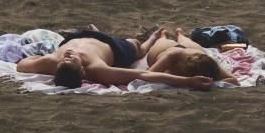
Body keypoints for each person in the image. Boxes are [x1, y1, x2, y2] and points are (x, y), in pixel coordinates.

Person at [15, 24, 216, 90]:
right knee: (136, 47)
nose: (67, 55)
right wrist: (188, 81)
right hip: (113, 47)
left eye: (63, 60)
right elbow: (145, 76)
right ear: (83, 71)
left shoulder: (51, 62)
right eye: (71, 60)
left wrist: (45, 57)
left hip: (77, 36)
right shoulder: (97, 68)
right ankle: (151, 40)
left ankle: (97, 30)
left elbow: (22, 65)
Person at [135, 25, 240, 85]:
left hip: (193, 51)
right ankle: (163, 35)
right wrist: (187, 82)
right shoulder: (172, 56)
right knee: (162, 41)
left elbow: (234, 80)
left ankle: (180, 34)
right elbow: (148, 75)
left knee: (187, 41)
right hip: (166, 49)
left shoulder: (208, 64)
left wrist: (212, 83)